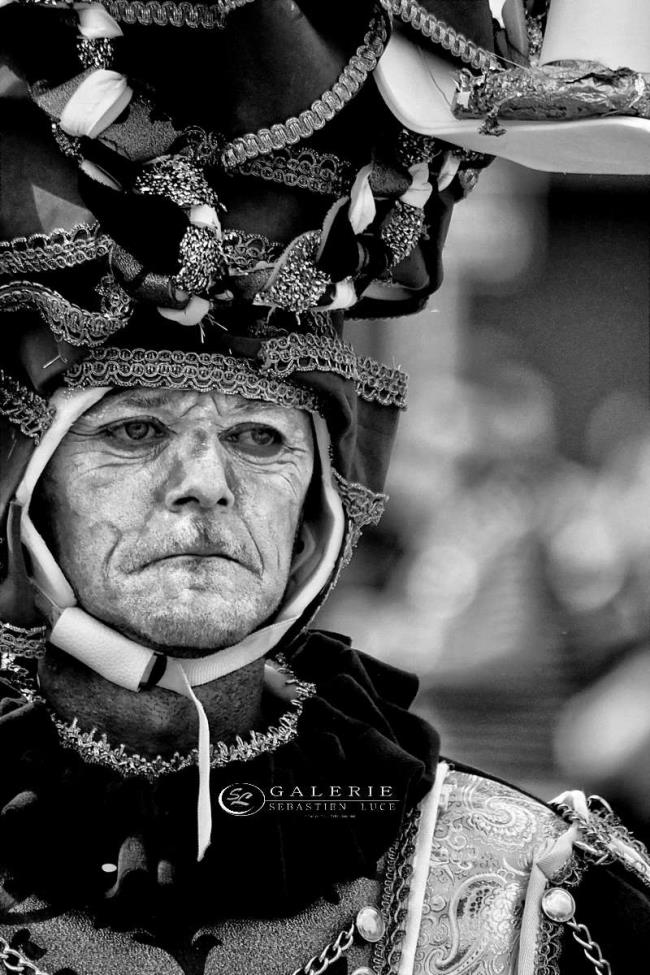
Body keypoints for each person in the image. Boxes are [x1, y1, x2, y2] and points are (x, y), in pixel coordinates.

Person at [0, 2, 649, 973]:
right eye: (134, 432)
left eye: (259, 438)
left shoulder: (536, 899)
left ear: (322, 494)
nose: (204, 488)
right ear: (29, 489)